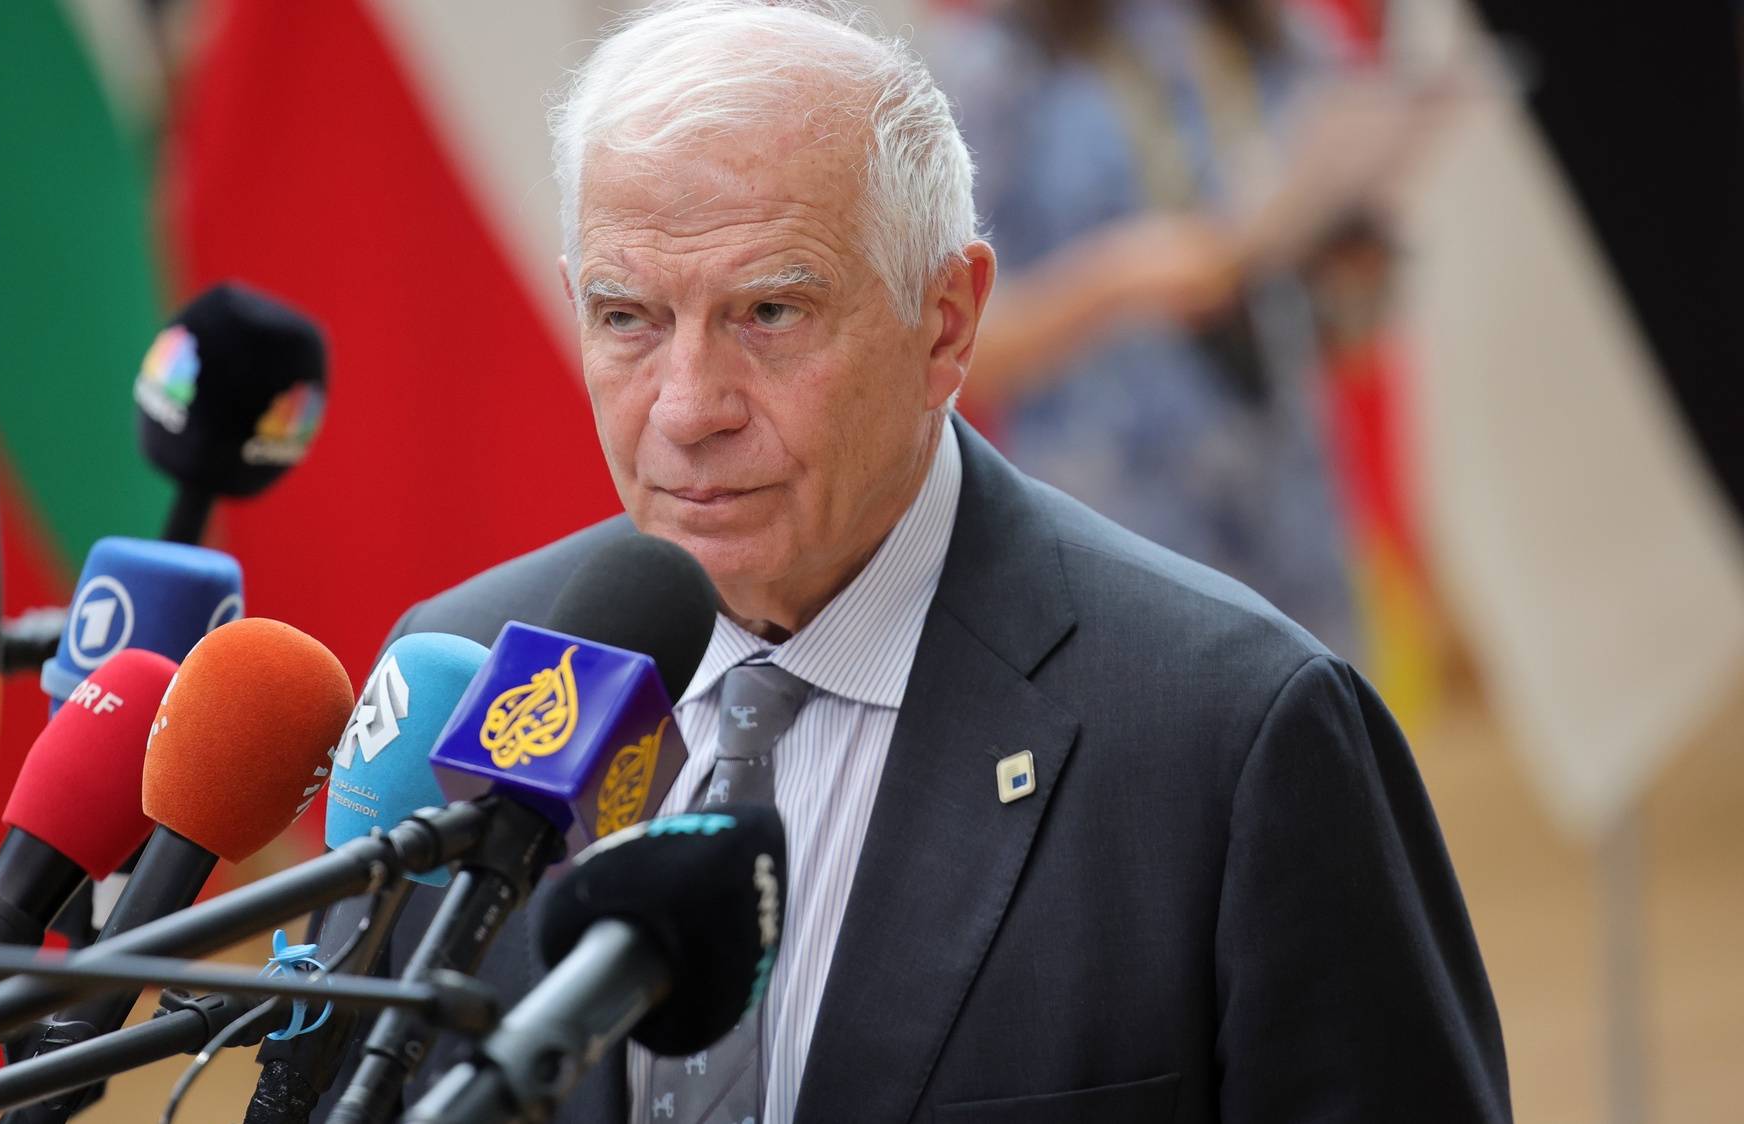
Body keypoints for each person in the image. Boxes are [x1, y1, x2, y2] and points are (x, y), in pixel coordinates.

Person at [345, 2, 1508, 1121]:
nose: (687, 407)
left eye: (768, 310)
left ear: (944, 321)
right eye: (626, 317)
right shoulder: (460, 673)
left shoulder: (1236, 737)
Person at [937, 0, 1372, 661]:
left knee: (1328, 726)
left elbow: (1350, 311)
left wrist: (1346, 255)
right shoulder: (997, 68)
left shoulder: (1267, 31)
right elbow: (954, 338)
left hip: (1287, 485)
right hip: (1120, 513)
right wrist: (1118, 282)